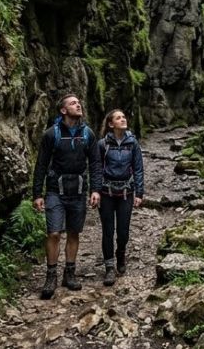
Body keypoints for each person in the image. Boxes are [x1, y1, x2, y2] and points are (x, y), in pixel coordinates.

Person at [32, 94, 101, 300]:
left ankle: (69, 273)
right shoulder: (51, 135)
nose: (78, 104)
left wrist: (95, 190)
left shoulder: (87, 134)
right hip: (55, 190)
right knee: (54, 233)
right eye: (73, 103)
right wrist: (37, 193)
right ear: (63, 110)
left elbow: (95, 163)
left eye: (79, 102)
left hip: (78, 190)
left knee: (73, 233)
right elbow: (41, 165)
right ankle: (51, 275)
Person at [91, 109, 145, 286]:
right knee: (108, 230)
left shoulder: (133, 143)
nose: (123, 119)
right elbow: (96, 169)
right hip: (106, 193)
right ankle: (109, 268)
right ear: (110, 124)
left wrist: (139, 193)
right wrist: (95, 191)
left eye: (124, 116)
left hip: (125, 193)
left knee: (123, 231)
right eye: (118, 118)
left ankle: (120, 252)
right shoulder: (102, 144)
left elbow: (138, 168)